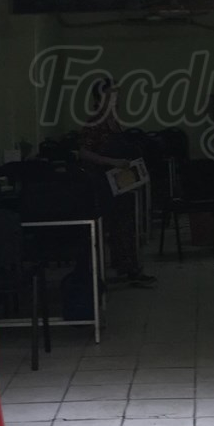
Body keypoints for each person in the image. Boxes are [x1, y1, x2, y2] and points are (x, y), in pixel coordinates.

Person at [77, 78, 156, 286]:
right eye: (111, 95)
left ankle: (128, 267)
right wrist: (112, 162)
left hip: (119, 180)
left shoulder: (115, 120)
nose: (116, 98)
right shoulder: (95, 122)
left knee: (125, 224)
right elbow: (84, 152)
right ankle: (111, 271)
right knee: (112, 225)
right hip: (101, 183)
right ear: (99, 98)